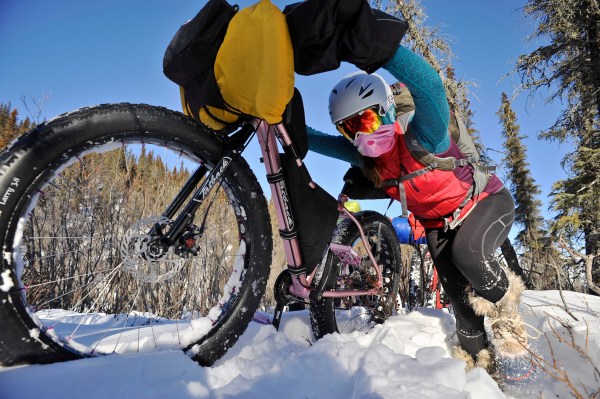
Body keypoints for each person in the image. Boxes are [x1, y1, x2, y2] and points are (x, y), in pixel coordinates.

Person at [306, 45, 534, 382]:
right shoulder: (366, 160)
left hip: (485, 202)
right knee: (461, 307)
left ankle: (514, 336)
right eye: (349, 128)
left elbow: (429, 84)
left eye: (366, 119)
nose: (361, 134)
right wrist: (269, 114)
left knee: (469, 253)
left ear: (384, 110)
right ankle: (487, 377)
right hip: (437, 225)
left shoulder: (425, 133)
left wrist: (379, 45)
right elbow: (311, 139)